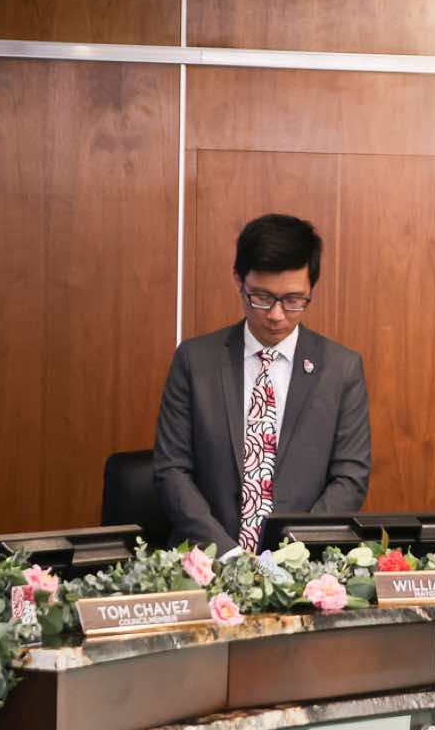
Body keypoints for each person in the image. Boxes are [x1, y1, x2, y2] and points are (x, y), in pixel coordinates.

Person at [153, 214, 371, 553]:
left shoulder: (341, 369)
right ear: (239, 281)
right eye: (262, 297)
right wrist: (227, 555)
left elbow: (350, 478)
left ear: (311, 288)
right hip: (206, 561)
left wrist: (291, 554)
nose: (276, 315)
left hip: (302, 566)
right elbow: (172, 469)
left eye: (294, 300)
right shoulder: (195, 361)